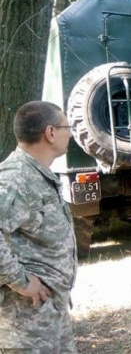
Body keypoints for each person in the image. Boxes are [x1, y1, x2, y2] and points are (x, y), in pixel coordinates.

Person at [0, 101, 77, 352]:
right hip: (27, 322)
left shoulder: (37, 174)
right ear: (51, 132)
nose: (71, 133)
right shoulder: (15, 178)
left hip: (51, 310)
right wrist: (21, 281)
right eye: (67, 126)